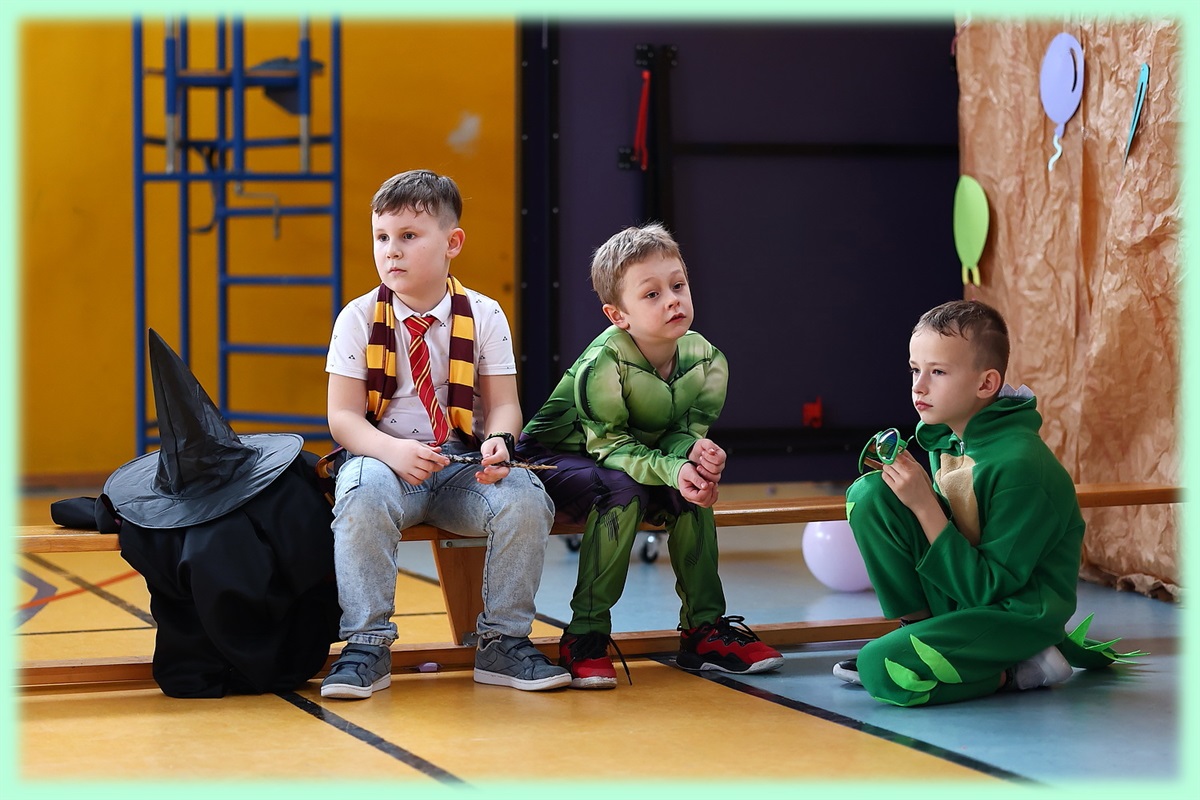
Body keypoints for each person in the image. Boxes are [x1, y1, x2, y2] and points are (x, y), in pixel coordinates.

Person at [319, 169, 569, 698]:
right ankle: (366, 645)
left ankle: (503, 641)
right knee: (360, 492)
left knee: (526, 497)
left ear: (452, 243)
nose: (391, 250)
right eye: (381, 237)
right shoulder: (357, 317)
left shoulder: (484, 314)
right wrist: (393, 452)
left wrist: (500, 442)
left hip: (460, 466)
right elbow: (342, 419)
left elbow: (504, 406)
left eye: (409, 235)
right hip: (383, 460)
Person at [835, 299, 1143, 707]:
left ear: (986, 384)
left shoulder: (1022, 466)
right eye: (915, 369)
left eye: (938, 372)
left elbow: (988, 589)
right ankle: (917, 629)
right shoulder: (948, 437)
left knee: (881, 669)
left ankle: (1019, 670)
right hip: (962, 591)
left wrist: (924, 505)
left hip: (1014, 614)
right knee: (869, 494)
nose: (919, 386)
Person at [516, 222, 784, 689]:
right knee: (622, 488)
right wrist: (674, 465)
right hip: (549, 463)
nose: (672, 301)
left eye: (678, 286)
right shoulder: (603, 364)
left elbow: (677, 436)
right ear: (617, 315)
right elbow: (611, 446)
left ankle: (703, 632)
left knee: (690, 491)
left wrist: (694, 453)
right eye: (652, 294)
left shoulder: (708, 361)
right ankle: (585, 635)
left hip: (627, 462)